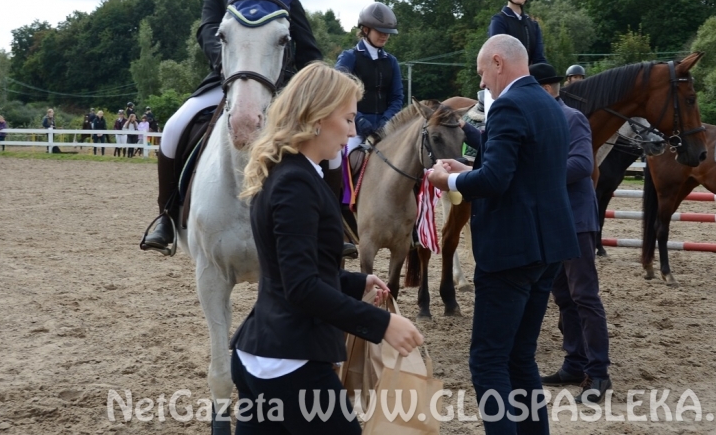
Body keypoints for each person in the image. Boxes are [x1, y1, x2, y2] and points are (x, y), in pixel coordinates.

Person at [231, 62, 423, 433]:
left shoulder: (291, 172)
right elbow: (301, 286)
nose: (352, 130)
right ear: (317, 118)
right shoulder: (295, 183)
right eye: (348, 119)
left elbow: (298, 268)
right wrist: (382, 324)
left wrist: (356, 283)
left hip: (267, 353)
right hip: (290, 361)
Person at [142, 0, 322, 253]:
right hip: (226, 78)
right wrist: (232, 68)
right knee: (173, 127)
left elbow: (310, 50)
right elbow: (208, 33)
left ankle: (335, 221)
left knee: (323, 136)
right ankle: (166, 215)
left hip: (278, 88)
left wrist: (313, 91)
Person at [428, 35, 579, 434]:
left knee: (488, 361)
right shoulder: (550, 104)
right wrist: (462, 165)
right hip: (549, 247)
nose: (483, 83)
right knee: (520, 358)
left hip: (511, 249)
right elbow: (519, 170)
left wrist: (450, 179)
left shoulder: (509, 104)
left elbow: (496, 180)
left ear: (497, 62)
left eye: (482, 73)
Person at [528, 62, 612, 404]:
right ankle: (574, 362)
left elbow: (581, 165)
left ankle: (599, 374)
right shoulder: (540, 121)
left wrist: (535, 179)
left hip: (576, 220)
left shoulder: (572, 118)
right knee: (563, 296)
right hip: (554, 222)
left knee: (585, 297)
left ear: (548, 89)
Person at [328, 1, 403, 197]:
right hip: (355, 129)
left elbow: (397, 97)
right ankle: (337, 204)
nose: (385, 35)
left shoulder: (391, 62)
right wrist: (358, 120)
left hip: (385, 129)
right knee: (339, 161)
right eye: (380, 31)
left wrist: (387, 122)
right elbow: (339, 94)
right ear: (365, 29)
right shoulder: (349, 58)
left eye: (388, 32)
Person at [488, 0, 547, 65]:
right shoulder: (498, 21)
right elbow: (498, 55)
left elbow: (539, 59)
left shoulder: (533, 25)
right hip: (505, 77)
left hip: (529, 76)